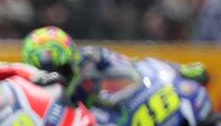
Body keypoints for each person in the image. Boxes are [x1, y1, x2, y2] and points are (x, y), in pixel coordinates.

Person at [18, 26, 208, 107]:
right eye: (49, 70)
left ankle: (180, 71)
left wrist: (176, 71)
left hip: (131, 106)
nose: (58, 75)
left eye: (61, 68)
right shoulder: (41, 97)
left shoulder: (91, 56)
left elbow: (133, 64)